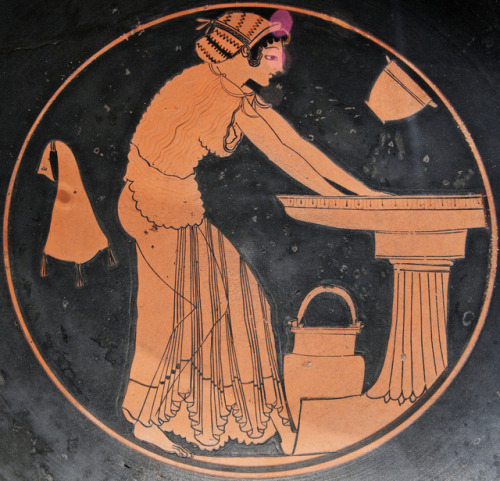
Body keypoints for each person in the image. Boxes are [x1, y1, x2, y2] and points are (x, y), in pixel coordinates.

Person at [118, 10, 380, 458]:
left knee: (244, 301)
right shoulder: (216, 92)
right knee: (182, 315)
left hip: (179, 204)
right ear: (245, 52)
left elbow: (297, 149)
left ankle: (270, 420)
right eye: (275, 52)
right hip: (155, 207)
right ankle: (146, 420)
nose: (282, 62)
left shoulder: (224, 88)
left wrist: (366, 194)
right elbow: (292, 156)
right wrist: (367, 198)